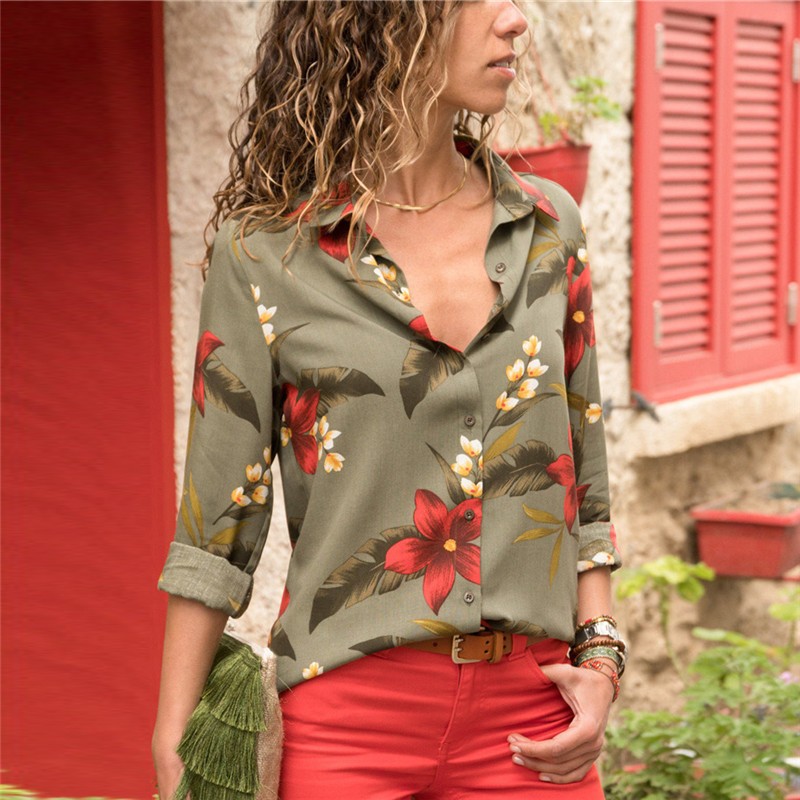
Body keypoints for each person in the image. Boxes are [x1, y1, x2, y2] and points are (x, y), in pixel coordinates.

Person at [152, 1, 626, 797]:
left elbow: (587, 482)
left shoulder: (548, 228)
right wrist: (174, 735)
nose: (515, 20)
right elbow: (217, 521)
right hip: (345, 726)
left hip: (533, 727)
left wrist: (601, 659)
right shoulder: (267, 252)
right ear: (386, 19)